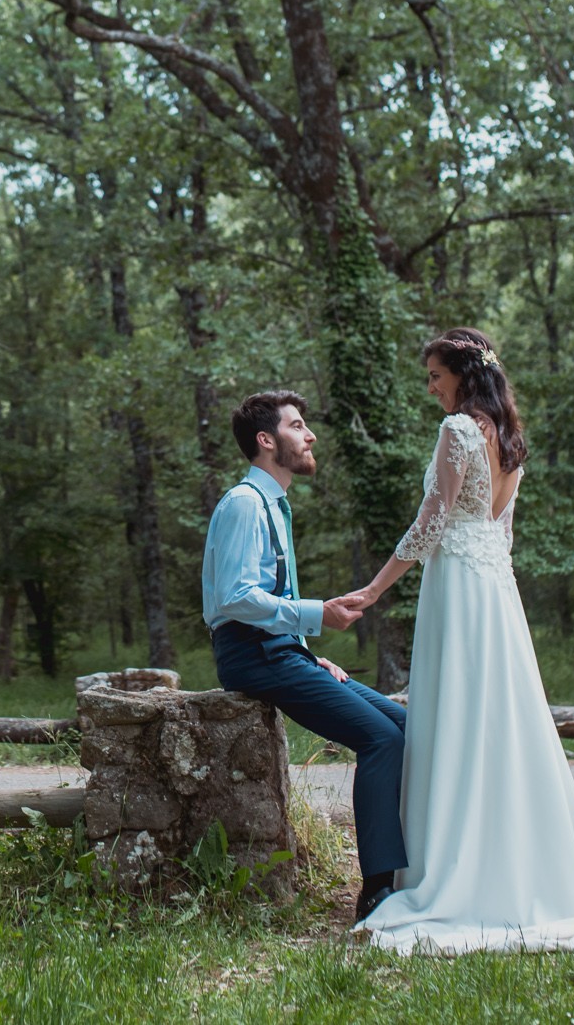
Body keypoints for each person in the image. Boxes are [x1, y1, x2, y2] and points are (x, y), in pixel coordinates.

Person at [347, 328, 574, 953]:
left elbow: (432, 521)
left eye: (435, 376)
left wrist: (371, 592)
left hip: (457, 586)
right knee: (501, 719)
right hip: (494, 593)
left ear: (462, 374)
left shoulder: (457, 431)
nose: (431, 388)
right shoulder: (510, 440)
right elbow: (502, 536)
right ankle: (517, 867)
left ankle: (449, 872)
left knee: (456, 717)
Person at [201, 389, 406, 921]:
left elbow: (270, 598)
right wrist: (317, 614)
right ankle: (377, 891)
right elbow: (235, 598)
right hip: (252, 656)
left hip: (279, 651)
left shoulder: (273, 504)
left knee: (403, 725)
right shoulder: (246, 504)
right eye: (297, 426)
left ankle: (408, 870)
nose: (310, 434)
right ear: (266, 441)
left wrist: (306, 651)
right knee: (380, 738)